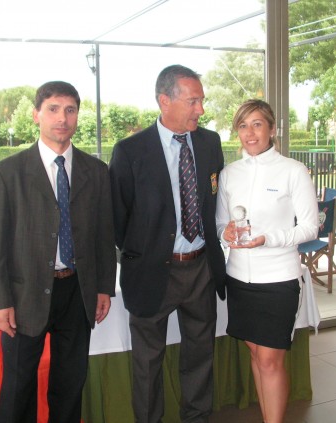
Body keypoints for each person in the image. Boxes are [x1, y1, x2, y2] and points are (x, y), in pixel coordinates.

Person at [0, 81, 117, 423]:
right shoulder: (7, 172)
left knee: (70, 383)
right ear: (36, 115)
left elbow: (104, 235)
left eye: (70, 110)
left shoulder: (96, 171)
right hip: (24, 294)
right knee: (18, 386)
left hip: (78, 291)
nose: (63, 118)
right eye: (54, 109)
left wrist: (104, 286)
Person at [109, 64, 226, 423]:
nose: (201, 110)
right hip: (151, 272)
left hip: (201, 267)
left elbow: (214, 200)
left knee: (200, 354)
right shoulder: (130, 151)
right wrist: (144, 253)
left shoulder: (209, 143)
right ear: (164, 101)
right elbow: (117, 218)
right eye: (193, 101)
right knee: (147, 362)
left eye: (202, 101)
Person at [215, 99, 318, 423]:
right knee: (257, 355)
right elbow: (220, 224)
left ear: (272, 129)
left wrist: (270, 239)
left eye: (257, 124)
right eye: (243, 125)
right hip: (240, 280)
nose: (250, 132)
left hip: (278, 279)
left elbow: (310, 227)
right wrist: (227, 233)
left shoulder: (293, 171)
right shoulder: (230, 174)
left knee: (271, 360)